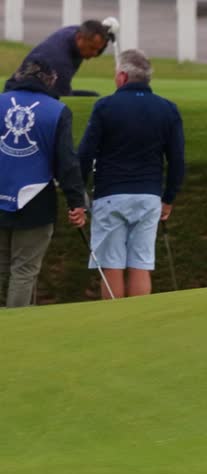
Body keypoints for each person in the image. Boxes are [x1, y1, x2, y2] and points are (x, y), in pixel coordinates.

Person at [78, 49, 185, 300]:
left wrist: (77, 196)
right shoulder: (167, 109)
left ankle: (114, 328)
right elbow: (177, 160)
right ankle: (139, 328)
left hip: (110, 196)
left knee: (112, 265)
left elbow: (84, 155)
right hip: (149, 197)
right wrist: (168, 199)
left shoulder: (105, 107)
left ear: (123, 76)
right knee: (141, 263)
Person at [0, 60, 87, 308]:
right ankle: (16, 332)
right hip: (35, 200)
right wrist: (76, 202)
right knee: (24, 271)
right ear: (50, 81)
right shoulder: (57, 110)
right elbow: (67, 162)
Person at [17, 19, 115, 98]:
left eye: (98, 49)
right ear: (79, 38)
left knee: (92, 97)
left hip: (43, 87)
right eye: (92, 48)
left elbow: (96, 40)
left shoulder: (78, 32)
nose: (94, 54)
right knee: (88, 99)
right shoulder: (60, 62)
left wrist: (107, 35)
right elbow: (63, 101)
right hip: (25, 95)